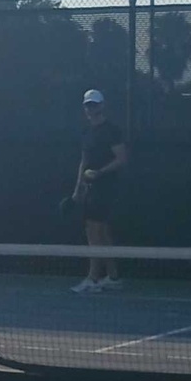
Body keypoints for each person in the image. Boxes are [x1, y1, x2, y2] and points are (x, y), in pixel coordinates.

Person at [70, 89, 128, 294]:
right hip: (89, 189)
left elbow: (121, 159)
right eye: (88, 105)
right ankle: (113, 277)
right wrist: (78, 188)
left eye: (94, 105)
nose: (91, 108)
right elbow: (84, 162)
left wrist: (100, 173)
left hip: (106, 188)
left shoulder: (112, 130)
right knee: (99, 232)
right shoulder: (86, 132)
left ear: (102, 106)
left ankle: (93, 278)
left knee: (94, 232)